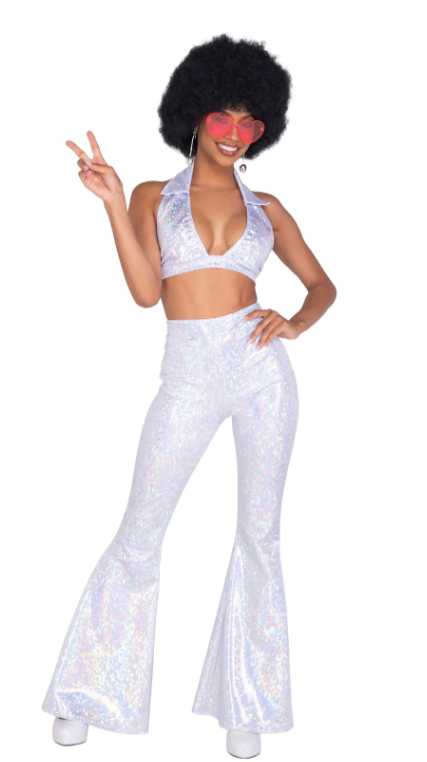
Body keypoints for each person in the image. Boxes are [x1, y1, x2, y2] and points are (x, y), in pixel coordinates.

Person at [41, 34, 337, 759]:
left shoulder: (268, 207)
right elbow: (147, 294)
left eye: (250, 122)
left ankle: (249, 703)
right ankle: (88, 693)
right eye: (222, 117)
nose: (235, 133)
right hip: (188, 369)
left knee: (260, 534)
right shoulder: (153, 195)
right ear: (195, 116)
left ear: (262, 128)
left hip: (261, 368)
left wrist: (296, 322)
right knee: (141, 530)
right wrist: (113, 204)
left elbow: (322, 285)